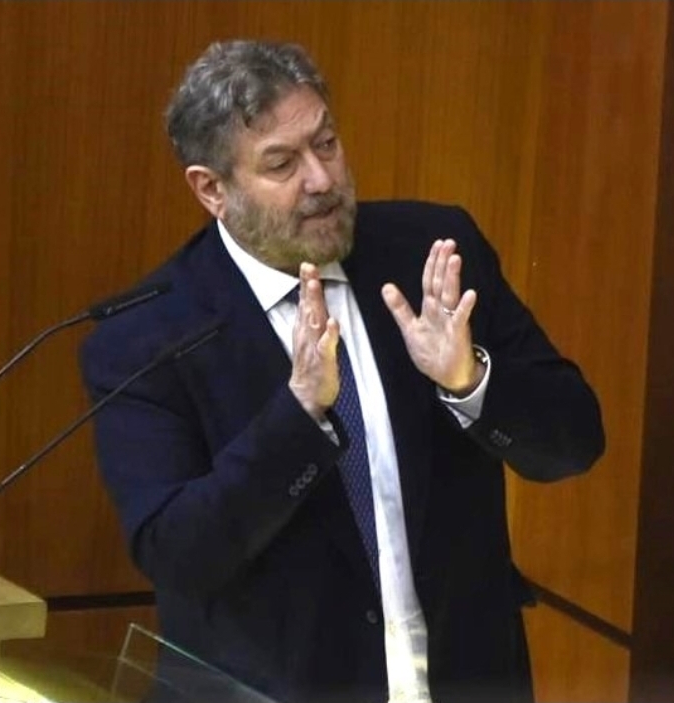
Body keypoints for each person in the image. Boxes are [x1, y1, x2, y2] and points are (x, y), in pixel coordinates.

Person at [80, 39, 605, 703]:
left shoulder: (431, 254)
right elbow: (180, 555)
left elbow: (575, 442)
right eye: (282, 164)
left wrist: (470, 381)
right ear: (212, 188)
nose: (322, 180)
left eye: (326, 144)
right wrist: (298, 415)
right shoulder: (149, 338)